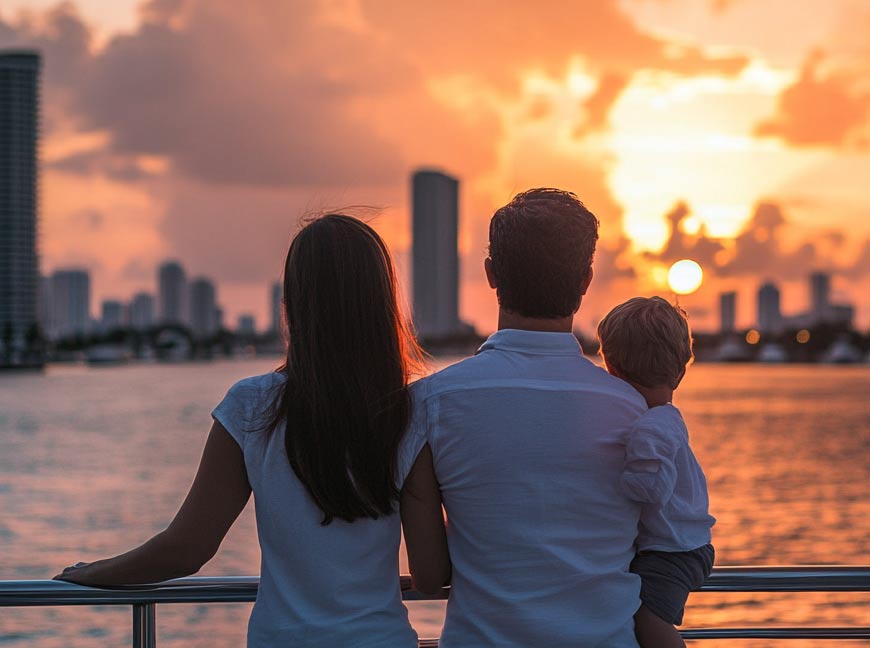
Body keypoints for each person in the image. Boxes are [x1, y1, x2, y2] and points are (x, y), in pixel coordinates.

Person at [55, 214, 429, 648]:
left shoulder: (253, 406)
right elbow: (430, 571)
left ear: (294, 303)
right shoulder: (411, 411)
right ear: (382, 304)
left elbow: (188, 547)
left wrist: (88, 573)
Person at [401, 188, 650, 647]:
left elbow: (430, 578)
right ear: (586, 280)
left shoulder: (430, 404)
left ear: (491, 274)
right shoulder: (631, 409)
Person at [597, 296, 716, 648]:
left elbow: (649, 488)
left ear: (611, 367)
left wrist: (617, 487)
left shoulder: (655, 425)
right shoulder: (662, 420)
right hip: (680, 543)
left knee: (648, 620)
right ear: (680, 371)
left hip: (674, 551)